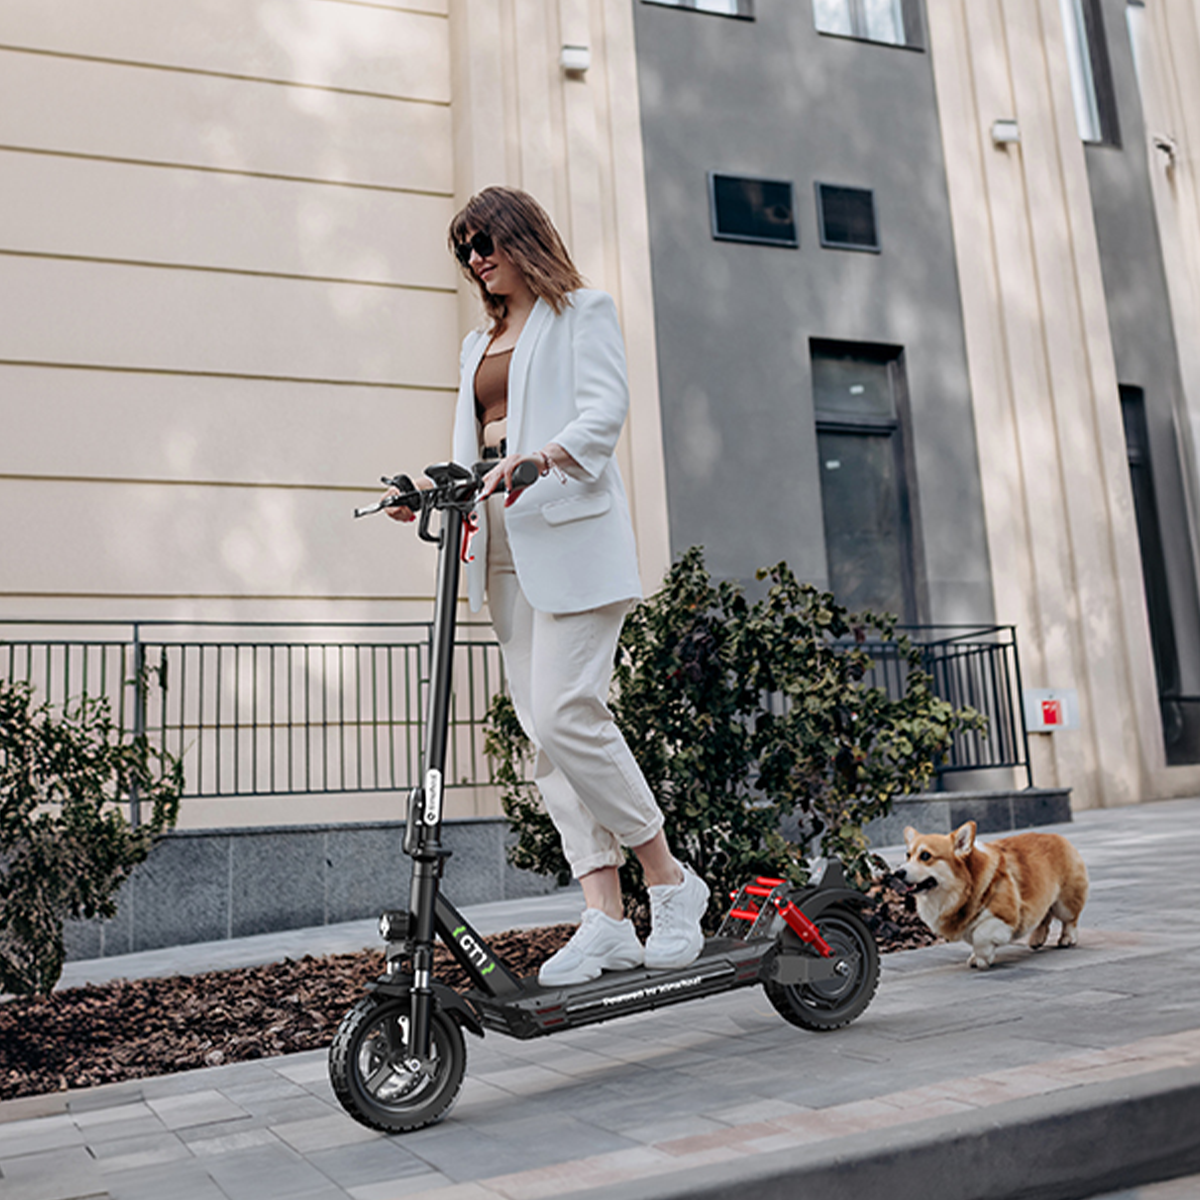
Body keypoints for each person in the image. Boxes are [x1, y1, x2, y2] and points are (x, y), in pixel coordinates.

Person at [386, 185, 708, 987]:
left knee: (570, 712)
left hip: (570, 540)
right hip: (496, 546)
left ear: (522, 238)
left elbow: (605, 412)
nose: (475, 258)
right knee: (543, 736)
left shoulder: (583, 312)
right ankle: (604, 914)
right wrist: (424, 494)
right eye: (465, 248)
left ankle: (670, 882)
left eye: (485, 241)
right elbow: (474, 447)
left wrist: (542, 458)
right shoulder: (475, 346)